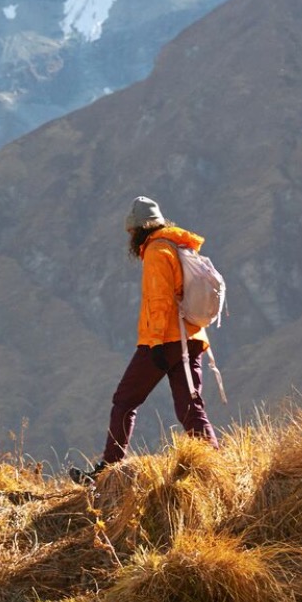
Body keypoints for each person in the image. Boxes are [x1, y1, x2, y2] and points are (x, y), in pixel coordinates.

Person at [74, 196, 220, 483]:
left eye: (131, 232)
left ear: (138, 229)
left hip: (164, 339)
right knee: (190, 406)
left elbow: (159, 301)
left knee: (125, 400)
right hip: (191, 337)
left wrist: (153, 345)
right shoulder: (178, 246)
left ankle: (109, 469)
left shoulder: (156, 250)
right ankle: (214, 466)